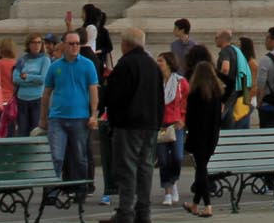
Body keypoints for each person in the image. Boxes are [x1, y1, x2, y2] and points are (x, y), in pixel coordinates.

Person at [104, 27, 162, 223]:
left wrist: (113, 119)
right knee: (145, 168)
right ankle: (143, 212)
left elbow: (115, 96)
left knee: (127, 168)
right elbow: (159, 97)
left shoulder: (125, 64)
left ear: (126, 44)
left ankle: (125, 212)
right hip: (150, 124)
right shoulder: (153, 66)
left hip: (129, 124)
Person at [44, 30, 100, 198]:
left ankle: (80, 190)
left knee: (79, 157)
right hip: (57, 118)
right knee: (56, 156)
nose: (75, 46)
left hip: (80, 117)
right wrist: (42, 117)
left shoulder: (87, 65)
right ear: (64, 45)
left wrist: (94, 114)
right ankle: (51, 192)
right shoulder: (55, 66)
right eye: (71, 43)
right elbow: (46, 92)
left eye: (77, 43)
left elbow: (93, 91)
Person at [183, 61, 223, 218]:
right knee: (202, 168)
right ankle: (194, 204)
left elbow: (190, 118)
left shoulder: (195, 93)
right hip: (212, 136)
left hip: (198, 135)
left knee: (201, 170)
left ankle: (208, 206)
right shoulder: (216, 92)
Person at [157, 52, 187, 208]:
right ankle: (167, 192)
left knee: (178, 157)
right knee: (162, 160)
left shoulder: (181, 82)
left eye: (160, 61)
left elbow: (187, 102)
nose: (158, 63)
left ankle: (173, 180)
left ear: (169, 63)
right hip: (161, 125)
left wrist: (183, 119)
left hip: (176, 125)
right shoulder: (156, 82)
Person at [13, 35, 51, 137]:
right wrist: (34, 79)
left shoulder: (45, 60)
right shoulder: (22, 60)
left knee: (35, 130)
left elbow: (43, 79)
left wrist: (27, 77)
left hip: (37, 98)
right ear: (29, 44)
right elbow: (16, 78)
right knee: (22, 131)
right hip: (22, 99)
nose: (36, 45)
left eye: (39, 42)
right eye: (34, 42)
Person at [212, 29, 249, 128]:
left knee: (221, 113)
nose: (215, 40)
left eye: (216, 37)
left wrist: (220, 82)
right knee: (228, 115)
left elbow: (225, 68)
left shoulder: (225, 51)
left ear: (222, 39)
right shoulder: (234, 51)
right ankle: (229, 134)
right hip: (235, 88)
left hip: (227, 88)